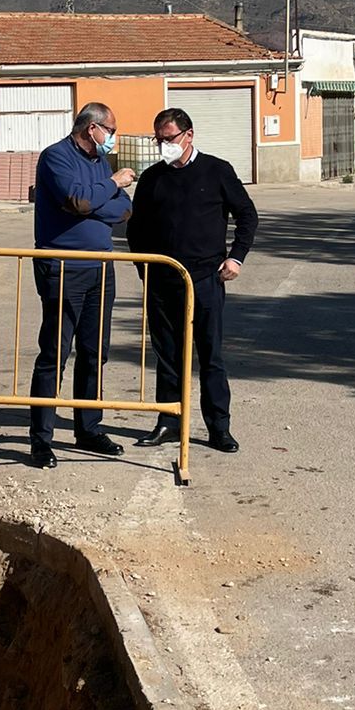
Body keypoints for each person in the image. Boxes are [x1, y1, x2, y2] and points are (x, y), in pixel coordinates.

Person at [126, 106, 257, 453]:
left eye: (169, 138)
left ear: (189, 135)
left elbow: (247, 215)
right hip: (162, 281)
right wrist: (146, 271)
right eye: (159, 140)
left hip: (205, 279)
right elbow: (135, 229)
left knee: (210, 355)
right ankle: (169, 420)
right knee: (168, 355)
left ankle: (219, 427)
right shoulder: (153, 178)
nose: (164, 145)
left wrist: (236, 257)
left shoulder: (217, 171)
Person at [28, 102, 135, 468]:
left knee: (94, 352)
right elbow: (79, 200)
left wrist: (98, 196)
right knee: (55, 353)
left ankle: (88, 428)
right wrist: (112, 184)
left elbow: (122, 210)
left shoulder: (97, 163)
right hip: (62, 267)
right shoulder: (56, 158)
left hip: (101, 268)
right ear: (93, 129)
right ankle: (41, 439)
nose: (112, 138)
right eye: (111, 130)